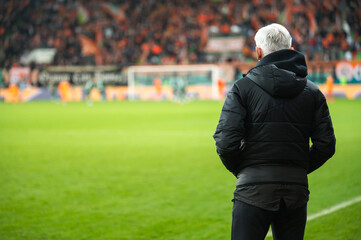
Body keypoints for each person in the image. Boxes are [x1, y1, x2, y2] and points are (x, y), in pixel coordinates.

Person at [213, 23, 336, 240]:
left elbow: (225, 142)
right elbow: (326, 145)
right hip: (295, 192)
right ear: (289, 49)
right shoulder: (313, 92)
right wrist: (297, 167)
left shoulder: (242, 88)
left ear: (258, 52)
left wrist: (245, 169)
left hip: (252, 190)